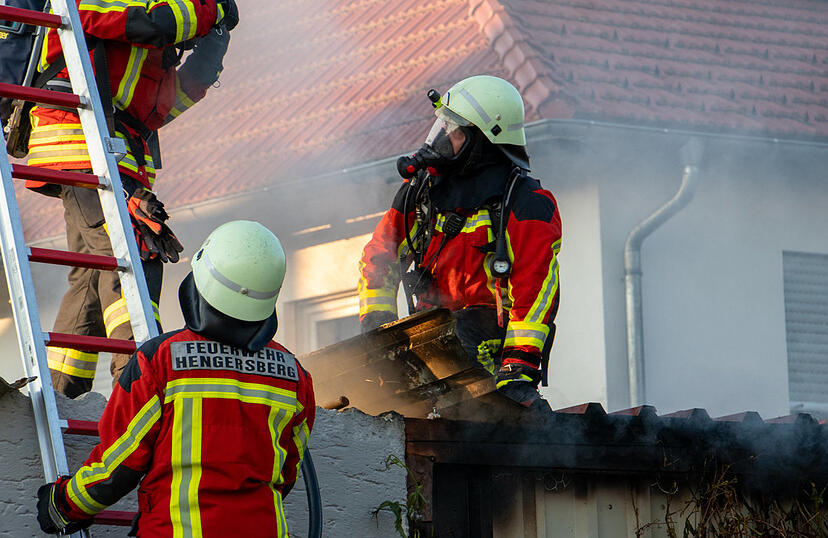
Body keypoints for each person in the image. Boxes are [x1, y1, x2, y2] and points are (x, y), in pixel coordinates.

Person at [35, 220, 316, 536]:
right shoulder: (295, 376)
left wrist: (61, 505)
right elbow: (286, 473)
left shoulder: (161, 360)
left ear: (200, 280)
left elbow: (118, 468)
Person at [24, 0, 239, 398]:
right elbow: (152, 23)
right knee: (136, 254)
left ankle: (62, 393)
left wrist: (213, 48)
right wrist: (212, 11)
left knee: (93, 275)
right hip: (82, 140)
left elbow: (164, 105)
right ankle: (139, 386)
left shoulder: (145, 49)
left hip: (115, 154)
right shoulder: (116, 11)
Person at [358, 75, 562, 406]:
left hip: (490, 347)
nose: (443, 137)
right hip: (428, 341)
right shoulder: (421, 192)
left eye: (454, 130)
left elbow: (534, 292)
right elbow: (379, 258)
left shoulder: (526, 203)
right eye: (444, 126)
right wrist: (378, 334)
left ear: (482, 140)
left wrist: (517, 369)